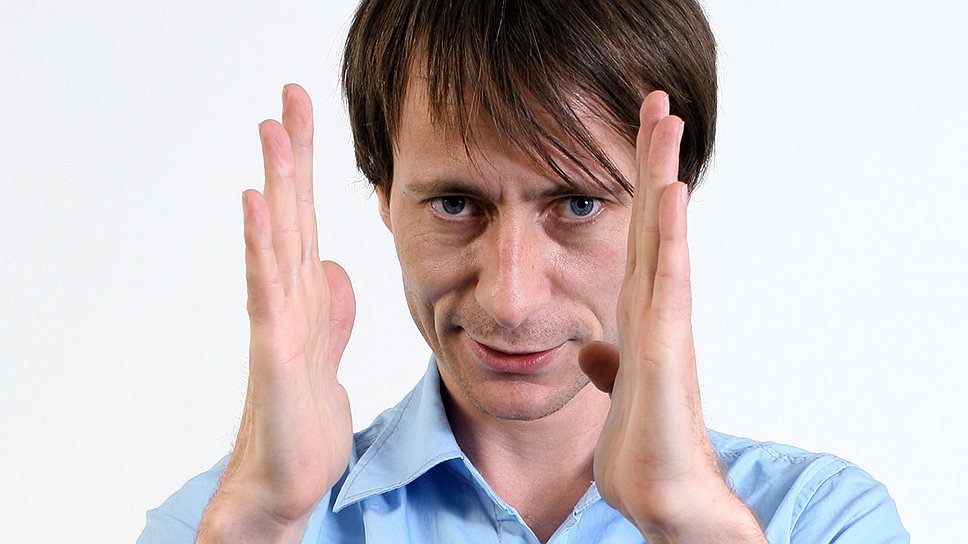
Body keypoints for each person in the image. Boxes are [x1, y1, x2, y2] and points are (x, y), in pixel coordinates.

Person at [138, 0, 908, 542]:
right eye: (453, 203)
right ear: (382, 195)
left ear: (669, 203)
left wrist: (694, 526)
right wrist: (258, 527)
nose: (510, 299)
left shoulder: (820, 521)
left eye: (577, 204)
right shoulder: (221, 524)